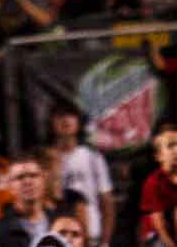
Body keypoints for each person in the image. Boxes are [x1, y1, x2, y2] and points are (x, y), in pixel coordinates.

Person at [48, 102, 115, 247]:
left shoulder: (92, 156)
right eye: (60, 116)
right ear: (52, 123)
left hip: (93, 235)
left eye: (70, 115)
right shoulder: (47, 159)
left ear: (78, 122)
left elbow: (107, 202)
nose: (65, 120)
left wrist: (105, 241)